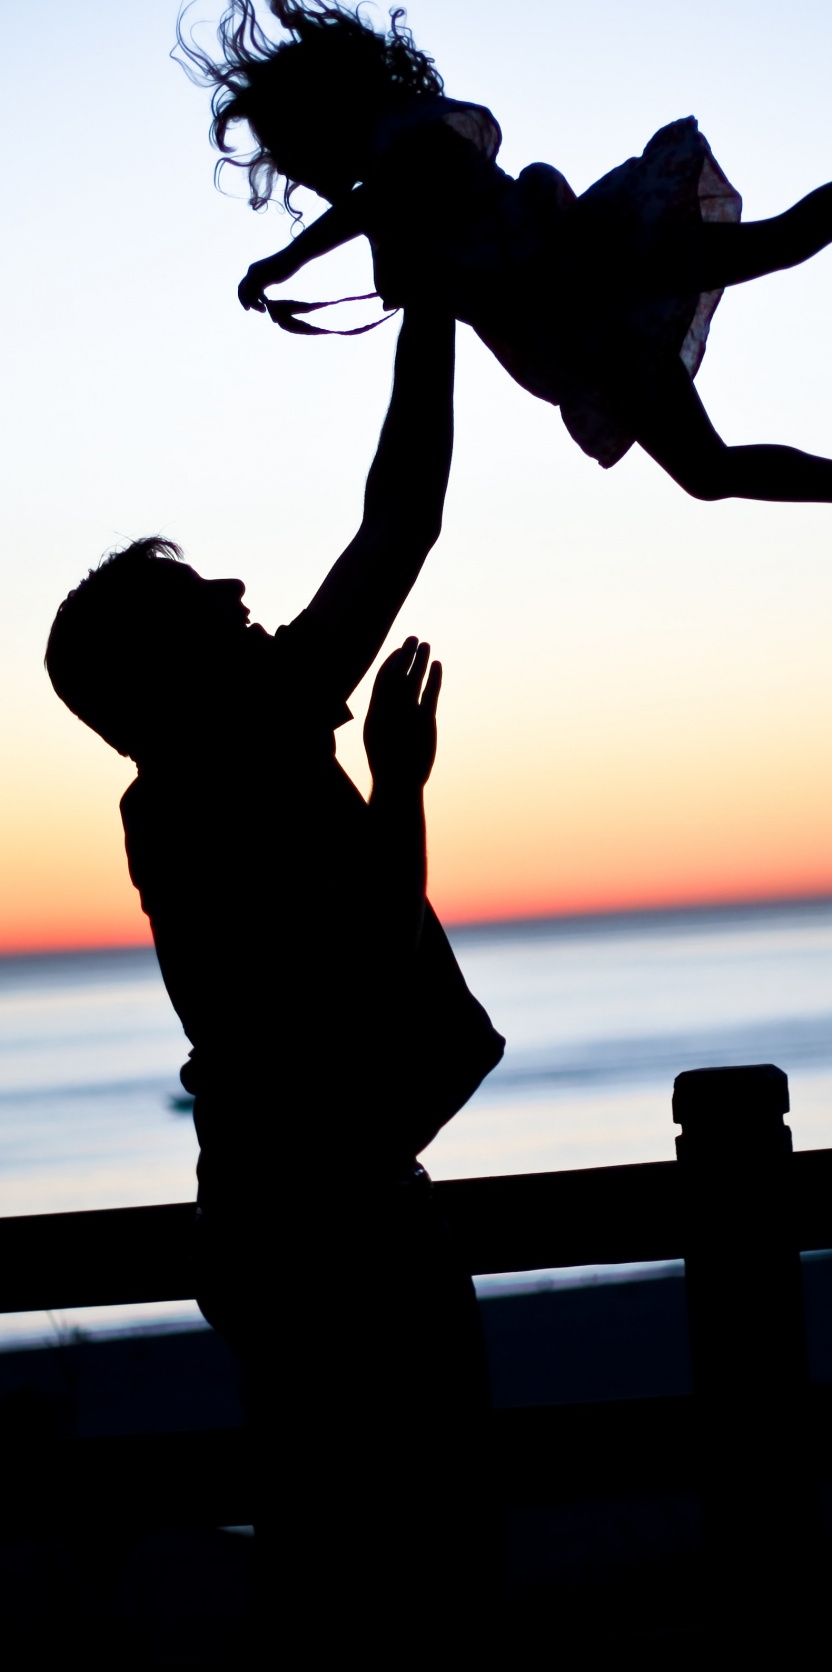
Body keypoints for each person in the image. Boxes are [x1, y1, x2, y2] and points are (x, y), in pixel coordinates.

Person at [45, 306, 504, 1657]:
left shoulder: (182, 792)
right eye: (208, 604)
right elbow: (401, 519)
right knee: (415, 1554)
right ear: (172, 672)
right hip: (334, 1216)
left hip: (275, 1210)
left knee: (342, 1543)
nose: (247, 599)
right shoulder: (233, 752)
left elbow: (352, 934)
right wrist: (431, 296)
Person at [176, 0, 832, 572]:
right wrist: (315, 269)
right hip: (581, 320)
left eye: (287, 145)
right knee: (712, 467)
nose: (292, 168)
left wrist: (288, 262)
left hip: (593, 276)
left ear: (315, 118)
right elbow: (398, 242)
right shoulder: (392, 165)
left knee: (780, 258)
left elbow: (387, 214)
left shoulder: (402, 146)